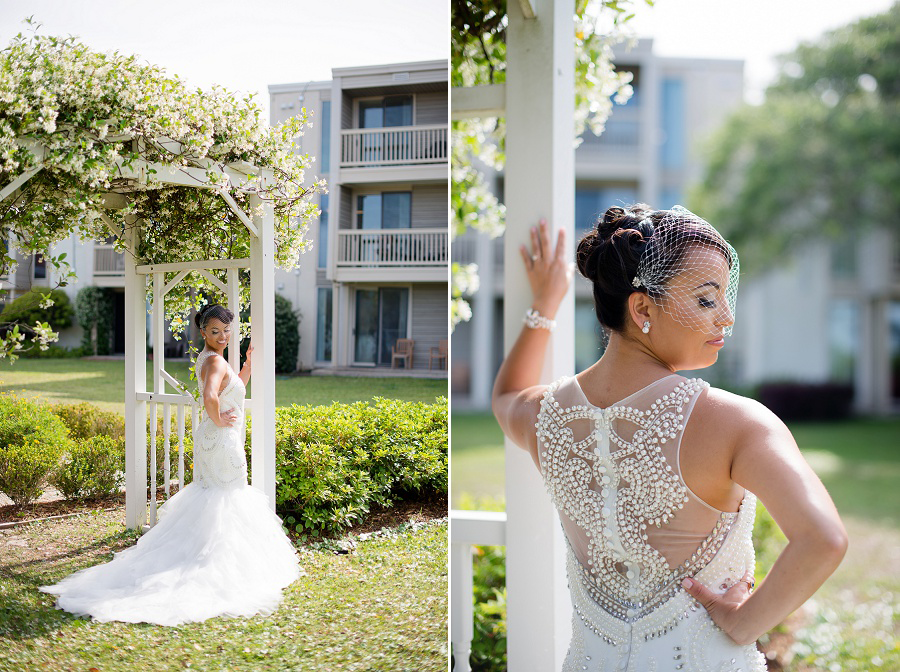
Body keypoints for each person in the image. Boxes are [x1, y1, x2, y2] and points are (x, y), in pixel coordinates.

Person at [492, 206, 848, 670]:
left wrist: (546, 302)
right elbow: (823, 539)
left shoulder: (543, 415)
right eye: (706, 300)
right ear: (641, 307)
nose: (726, 318)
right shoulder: (737, 422)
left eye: (724, 297)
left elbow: (507, 394)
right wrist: (745, 624)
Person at [41, 304, 301, 626]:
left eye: (227, 331)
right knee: (229, 496)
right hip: (221, 440)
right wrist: (219, 419)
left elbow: (227, 388)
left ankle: (206, 554)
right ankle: (217, 563)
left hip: (214, 438)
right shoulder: (217, 361)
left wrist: (246, 367)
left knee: (215, 496)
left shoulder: (208, 358)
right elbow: (210, 395)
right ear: (203, 332)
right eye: (215, 331)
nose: (222, 337)